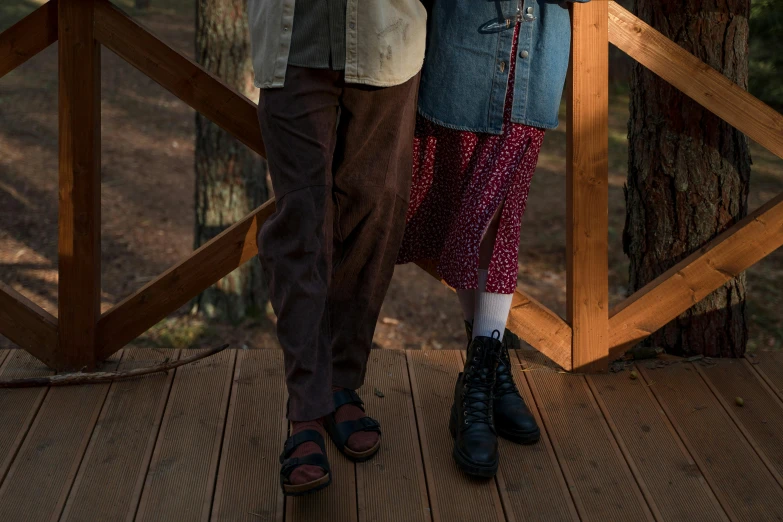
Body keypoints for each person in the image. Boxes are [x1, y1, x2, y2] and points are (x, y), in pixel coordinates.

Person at [397, 0, 590, 478]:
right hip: (463, 55)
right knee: (468, 221)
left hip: (536, 61)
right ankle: (492, 374)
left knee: (498, 224)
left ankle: (479, 383)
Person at [247, 0, 428, 496]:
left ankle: (342, 381)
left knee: (373, 214)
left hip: (385, 36)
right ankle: (305, 409)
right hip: (291, 40)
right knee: (300, 227)